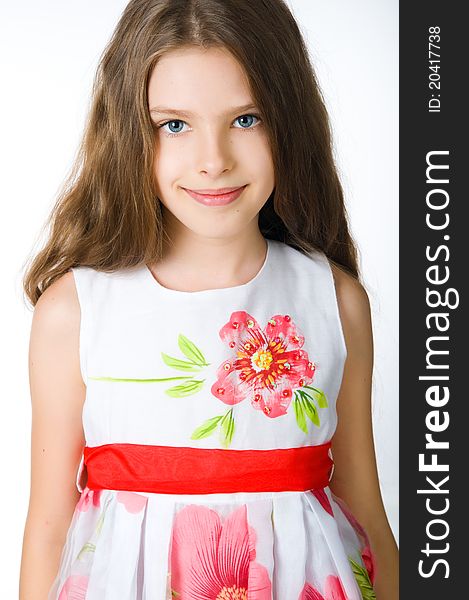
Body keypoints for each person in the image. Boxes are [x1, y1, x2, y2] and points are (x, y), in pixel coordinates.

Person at [19, 1, 399, 598]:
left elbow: (366, 516)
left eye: (246, 119)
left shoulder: (334, 301)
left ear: (289, 120)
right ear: (129, 133)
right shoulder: (75, 313)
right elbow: (47, 528)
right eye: (175, 125)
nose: (214, 160)